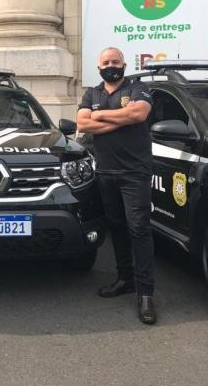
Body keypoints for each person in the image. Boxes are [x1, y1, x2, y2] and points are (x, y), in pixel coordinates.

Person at [77, 47, 157, 325]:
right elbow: (82, 124)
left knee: (139, 229)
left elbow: (138, 115)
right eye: (106, 63)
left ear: (124, 64)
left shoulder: (138, 87)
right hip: (106, 172)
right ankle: (125, 279)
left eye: (116, 62)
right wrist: (116, 118)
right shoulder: (92, 93)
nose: (111, 66)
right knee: (117, 226)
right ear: (99, 68)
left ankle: (146, 293)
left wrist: (99, 117)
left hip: (135, 172)